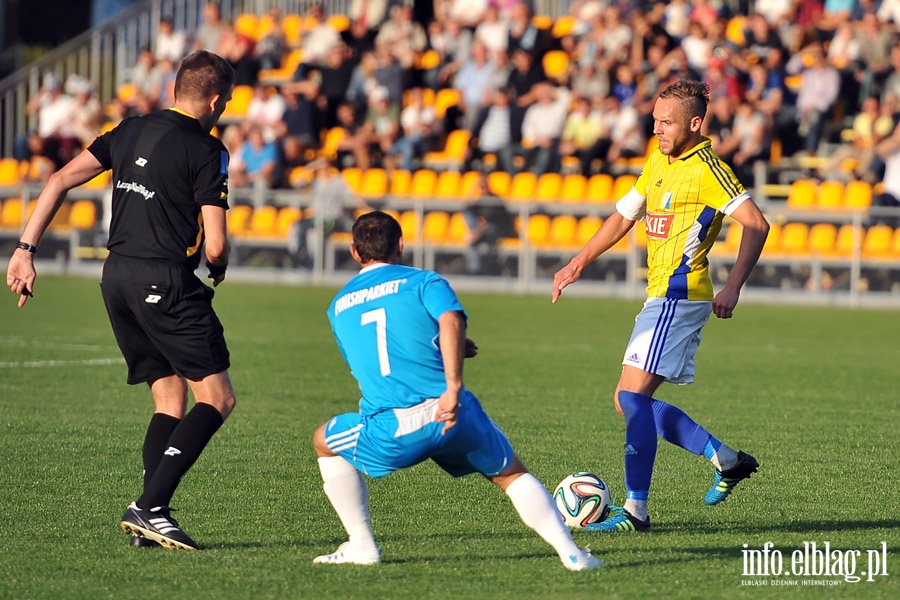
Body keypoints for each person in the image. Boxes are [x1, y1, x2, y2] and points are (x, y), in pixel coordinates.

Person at [6, 50, 238, 551]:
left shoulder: (129, 128)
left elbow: (58, 178)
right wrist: (218, 268)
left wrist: (24, 250)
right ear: (216, 101)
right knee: (217, 398)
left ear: (176, 87)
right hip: (167, 280)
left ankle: (151, 520)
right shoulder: (208, 148)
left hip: (116, 279)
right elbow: (215, 245)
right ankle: (151, 508)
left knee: (168, 397)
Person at [312, 210, 603, 570]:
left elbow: (373, 356)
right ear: (401, 245)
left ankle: (362, 545)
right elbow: (450, 319)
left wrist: (438, 346)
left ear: (355, 253)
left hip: (393, 430)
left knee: (324, 440)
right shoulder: (424, 282)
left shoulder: (338, 307)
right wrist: (453, 382)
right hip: (451, 413)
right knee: (511, 475)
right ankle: (572, 555)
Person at [551, 80, 770, 532]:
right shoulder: (658, 160)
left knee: (631, 400)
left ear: (695, 122)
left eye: (666, 122)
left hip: (680, 295)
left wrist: (734, 287)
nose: (657, 129)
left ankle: (636, 512)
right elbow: (624, 216)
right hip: (660, 298)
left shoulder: (709, 168)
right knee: (625, 401)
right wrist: (577, 262)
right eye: (654, 120)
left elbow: (757, 223)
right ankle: (726, 460)